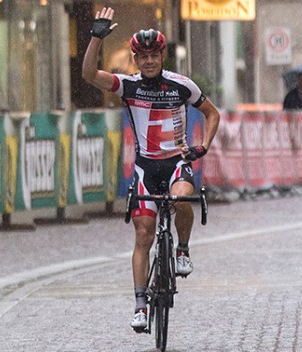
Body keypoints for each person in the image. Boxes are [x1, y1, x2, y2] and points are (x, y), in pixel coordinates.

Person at [82, 7, 220, 332]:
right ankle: (141, 305)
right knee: (143, 234)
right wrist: (95, 38)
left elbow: (212, 114)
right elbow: (89, 75)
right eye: (142, 56)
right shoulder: (128, 87)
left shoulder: (182, 85)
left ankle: (182, 249)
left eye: (153, 55)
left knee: (182, 199)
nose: (148, 61)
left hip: (177, 164)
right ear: (135, 58)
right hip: (146, 169)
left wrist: (205, 146)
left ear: (162, 55)